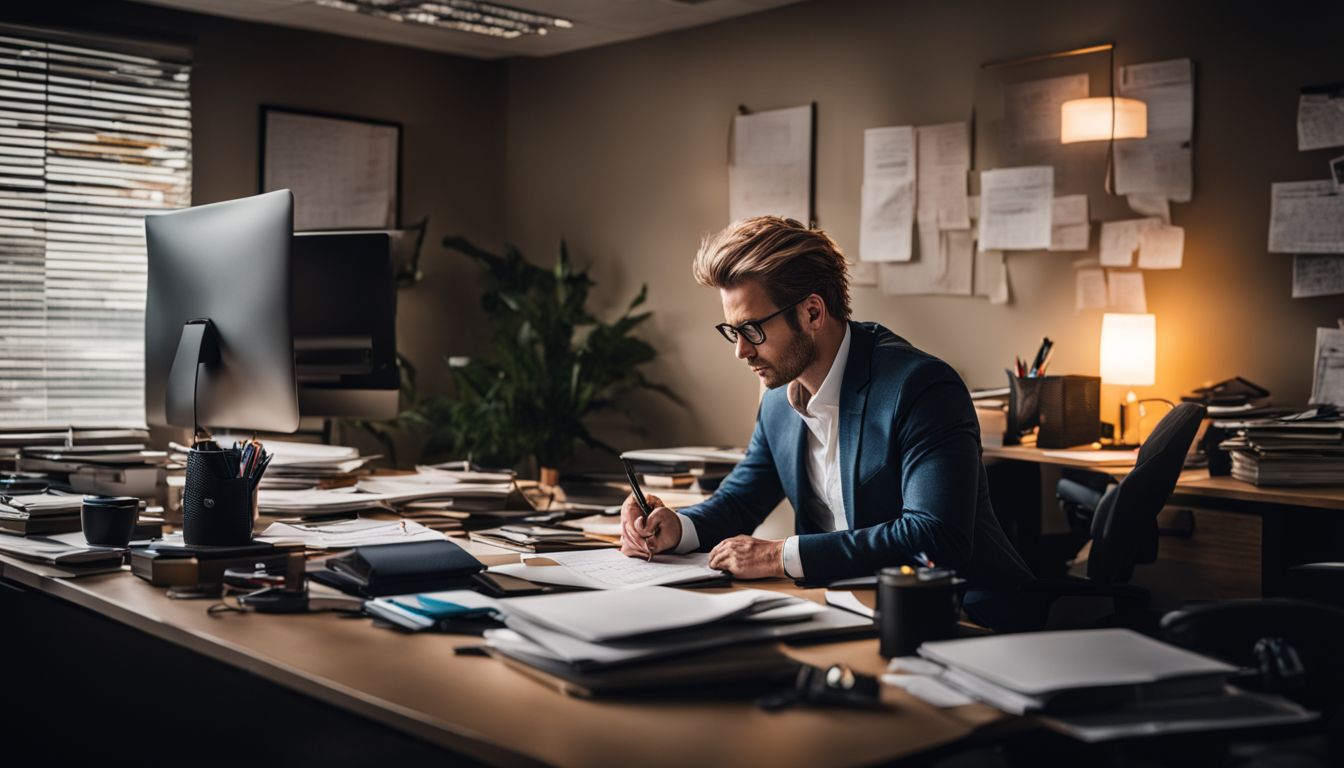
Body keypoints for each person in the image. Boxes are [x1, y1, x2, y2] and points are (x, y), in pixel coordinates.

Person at [620, 216, 1039, 631]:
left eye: (752, 329)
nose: (742, 351)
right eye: (733, 331)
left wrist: (777, 555)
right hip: (840, 611)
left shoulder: (920, 388)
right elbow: (739, 503)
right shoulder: (778, 403)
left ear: (813, 313)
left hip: (964, 620)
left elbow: (935, 538)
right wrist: (677, 526)